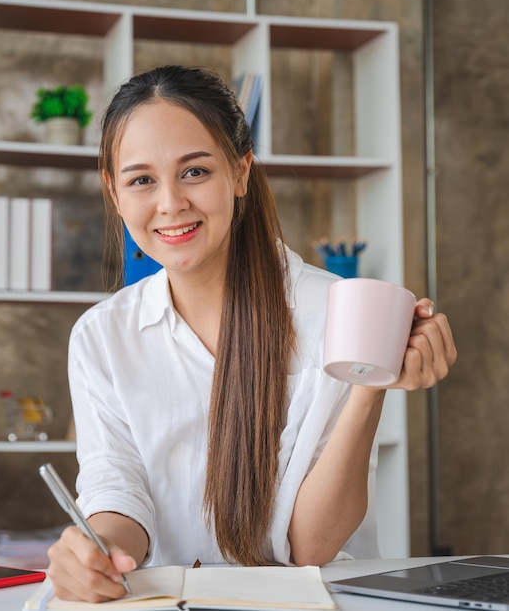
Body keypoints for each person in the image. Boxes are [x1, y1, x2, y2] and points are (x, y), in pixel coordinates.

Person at [47, 65, 457, 602]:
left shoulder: (336, 311)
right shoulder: (101, 336)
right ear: (114, 192)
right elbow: (117, 488)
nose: (170, 203)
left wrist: (370, 379)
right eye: (141, 179)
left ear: (241, 173)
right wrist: (98, 549)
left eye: (195, 172)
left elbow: (310, 547)